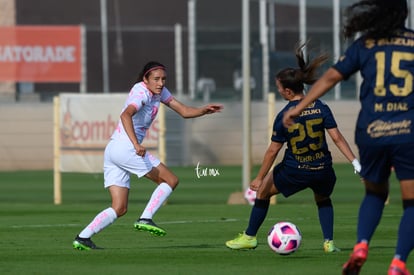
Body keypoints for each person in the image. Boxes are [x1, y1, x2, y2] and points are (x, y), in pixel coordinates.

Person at [283, 1, 414, 274]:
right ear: (405, 14)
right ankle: (399, 261)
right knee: (411, 201)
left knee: (375, 194)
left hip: (371, 132)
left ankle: (361, 246)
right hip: (407, 132)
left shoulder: (365, 45)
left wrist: (297, 107)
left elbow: (331, 77)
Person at [225, 42, 361, 253]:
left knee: (262, 193)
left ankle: (250, 237)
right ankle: (329, 243)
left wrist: (259, 177)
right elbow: (337, 138)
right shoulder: (321, 107)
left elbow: (273, 151)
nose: (278, 90)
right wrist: (355, 162)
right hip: (323, 169)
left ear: (288, 91)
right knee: (323, 198)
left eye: (278, 87)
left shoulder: (284, 116)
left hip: (295, 170)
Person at [73, 61, 223, 250]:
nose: (160, 83)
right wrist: (136, 144)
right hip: (126, 148)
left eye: (163, 79)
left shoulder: (160, 92)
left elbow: (184, 111)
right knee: (170, 180)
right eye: (156, 79)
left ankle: (83, 237)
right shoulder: (141, 92)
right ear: (145, 79)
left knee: (119, 208)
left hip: (114, 150)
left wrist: (203, 110)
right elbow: (125, 115)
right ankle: (145, 218)